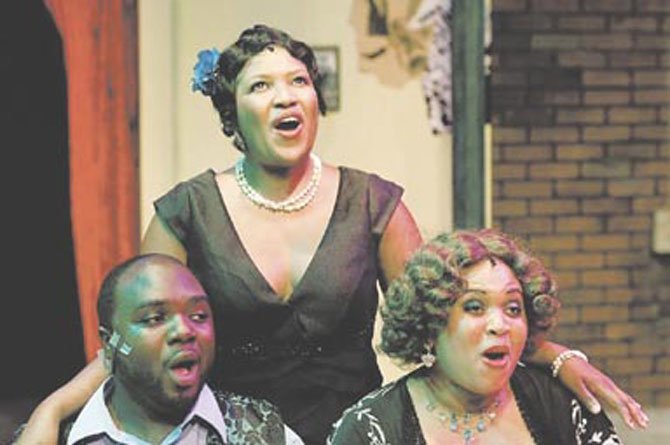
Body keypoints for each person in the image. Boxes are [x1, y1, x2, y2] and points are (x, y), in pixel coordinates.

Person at [17, 24, 646, 445]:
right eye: (261, 86)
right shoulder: (187, 211)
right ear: (232, 112)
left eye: (299, 81)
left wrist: (558, 358)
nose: (286, 97)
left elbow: (451, 317)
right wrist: (55, 409)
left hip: (357, 432)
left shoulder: (372, 202)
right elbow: (138, 336)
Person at [328, 229, 623, 444]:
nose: (500, 325)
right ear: (430, 324)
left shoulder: (562, 406)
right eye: (474, 307)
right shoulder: (369, 429)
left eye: (513, 307)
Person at [15, 254, 302, 444]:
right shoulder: (49, 437)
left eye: (199, 316)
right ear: (110, 343)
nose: (184, 331)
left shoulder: (264, 431)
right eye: (155, 318)